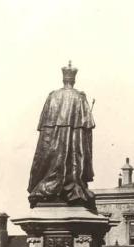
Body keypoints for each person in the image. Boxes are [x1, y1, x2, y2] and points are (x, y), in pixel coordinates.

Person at [27, 61, 96, 210]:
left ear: (63, 79)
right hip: (74, 141)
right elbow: (87, 127)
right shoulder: (79, 97)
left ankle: (52, 186)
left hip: (54, 138)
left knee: (54, 160)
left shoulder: (53, 96)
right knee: (73, 160)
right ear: (73, 80)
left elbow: (44, 126)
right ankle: (70, 186)